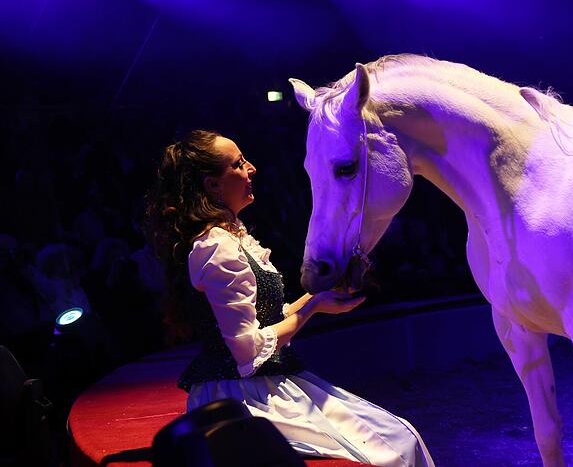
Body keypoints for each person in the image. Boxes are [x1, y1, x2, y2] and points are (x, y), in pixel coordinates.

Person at [145, 129, 434, 467]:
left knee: (400, 436)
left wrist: (321, 294)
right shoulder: (216, 248)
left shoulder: (232, 237)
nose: (251, 168)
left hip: (262, 383)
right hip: (240, 396)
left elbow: (266, 317)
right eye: (238, 164)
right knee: (389, 450)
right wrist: (312, 308)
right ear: (213, 185)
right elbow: (247, 350)